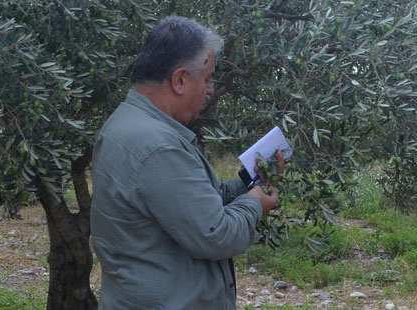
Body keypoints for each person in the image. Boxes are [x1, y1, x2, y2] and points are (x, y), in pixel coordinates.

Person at [90, 16, 282, 310]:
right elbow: (216, 235)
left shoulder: (127, 122)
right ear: (179, 80)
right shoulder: (158, 146)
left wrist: (247, 183)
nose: (210, 89)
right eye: (206, 79)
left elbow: (185, 206)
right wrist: (255, 203)